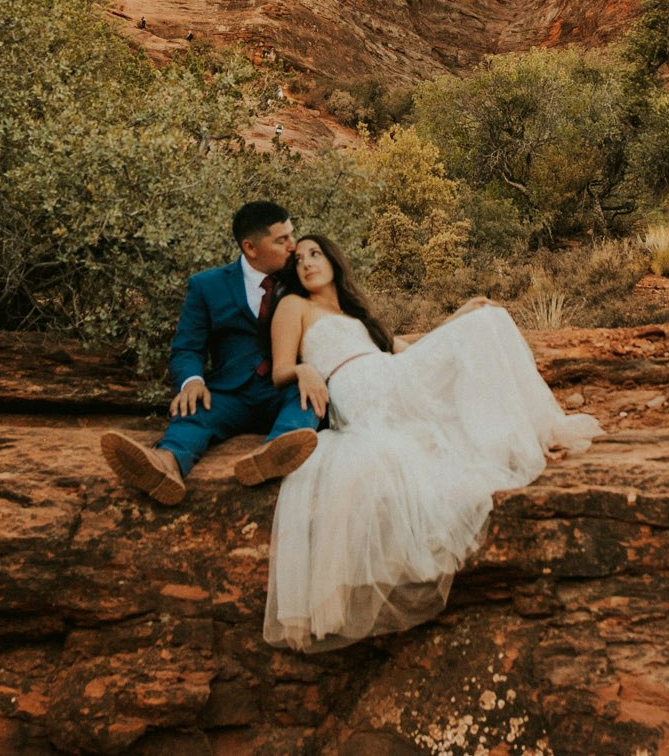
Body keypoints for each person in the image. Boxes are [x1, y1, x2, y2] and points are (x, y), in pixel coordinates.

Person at [261, 233, 601, 651]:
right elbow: (279, 369)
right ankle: (531, 433)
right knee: (479, 334)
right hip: (358, 393)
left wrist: (456, 318)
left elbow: (407, 352)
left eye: (316, 254)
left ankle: (534, 431)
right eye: (299, 260)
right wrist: (303, 371)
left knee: (485, 319)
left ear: (333, 259)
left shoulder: (355, 315)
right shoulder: (295, 306)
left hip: (390, 375)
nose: (307, 263)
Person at [98, 200, 325, 505]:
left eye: (292, 234)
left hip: (281, 386)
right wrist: (192, 381)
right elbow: (187, 347)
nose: (293, 246)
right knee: (194, 410)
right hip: (229, 393)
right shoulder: (207, 285)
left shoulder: (302, 279)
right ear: (250, 248)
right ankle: (165, 464)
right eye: (281, 239)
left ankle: (273, 453)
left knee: (306, 399)